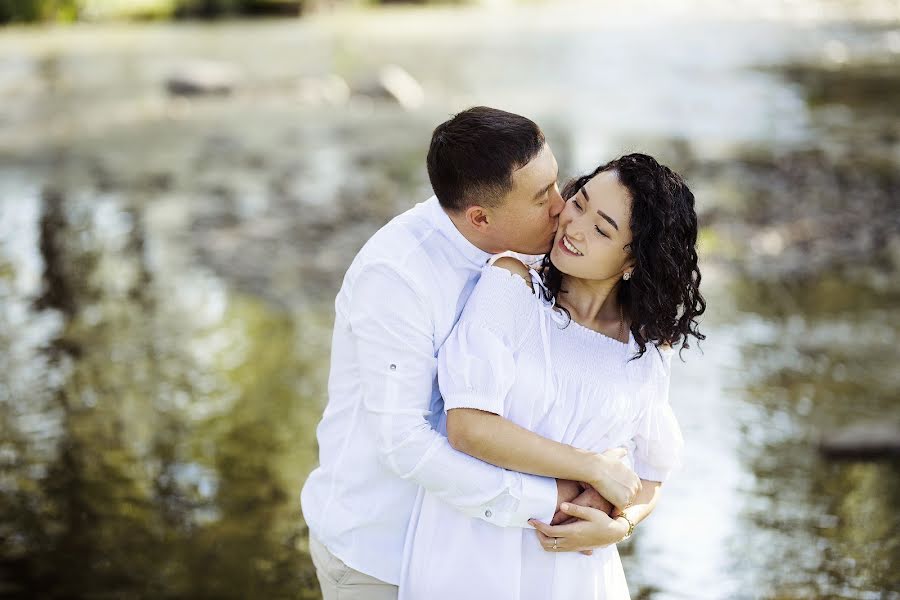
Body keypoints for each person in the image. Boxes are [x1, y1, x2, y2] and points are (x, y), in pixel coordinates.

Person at [300, 107, 643, 600]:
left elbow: (608, 401)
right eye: (542, 196)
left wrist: (618, 516)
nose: (561, 206)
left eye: (556, 182)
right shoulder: (397, 276)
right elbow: (404, 442)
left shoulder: (541, 243)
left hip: (488, 556)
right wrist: (551, 500)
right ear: (481, 217)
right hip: (381, 552)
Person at [400, 153, 706, 600]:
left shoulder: (646, 347)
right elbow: (469, 427)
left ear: (634, 262)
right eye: (578, 203)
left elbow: (651, 472)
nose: (574, 228)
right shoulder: (512, 285)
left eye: (602, 230)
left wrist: (617, 527)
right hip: (474, 554)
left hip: (576, 573)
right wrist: (593, 469)